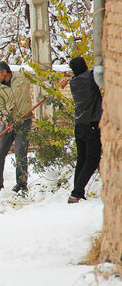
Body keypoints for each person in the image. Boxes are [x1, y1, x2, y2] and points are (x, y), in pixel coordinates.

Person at [59, 56, 102, 204]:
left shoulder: (73, 82)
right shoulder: (90, 79)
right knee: (93, 159)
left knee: (82, 159)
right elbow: (100, 71)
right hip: (91, 124)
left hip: (79, 125)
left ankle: (77, 193)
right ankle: (76, 193)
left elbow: (80, 74)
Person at [0, 61, 33, 193]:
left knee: (20, 152)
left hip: (24, 120)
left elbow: (39, 80)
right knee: (0, 152)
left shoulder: (21, 77)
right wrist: (5, 120)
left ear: (4, 72)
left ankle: (21, 184)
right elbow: (0, 106)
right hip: (9, 122)